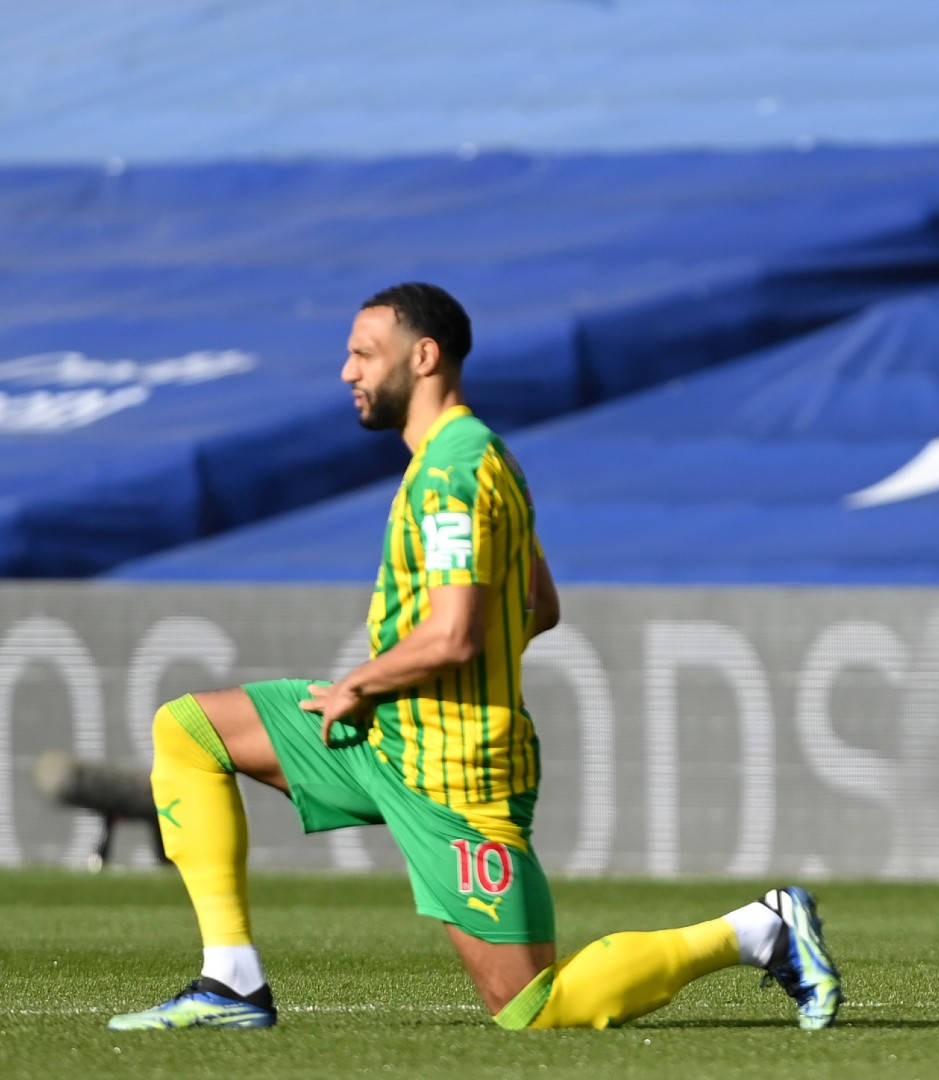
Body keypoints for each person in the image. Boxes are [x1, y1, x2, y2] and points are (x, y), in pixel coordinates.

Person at [109, 283, 842, 1031]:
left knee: (532, 1009)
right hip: (389, 737)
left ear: (423, 357)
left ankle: (760, 929)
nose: (346, 372)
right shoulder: (468, 459)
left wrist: (365, 681)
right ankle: (231, 983)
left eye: (364, 353)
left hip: (456, 772)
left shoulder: (456, 467)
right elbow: (539, 605)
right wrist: (400, 687)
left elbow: (456, 632)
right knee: (189, 730)